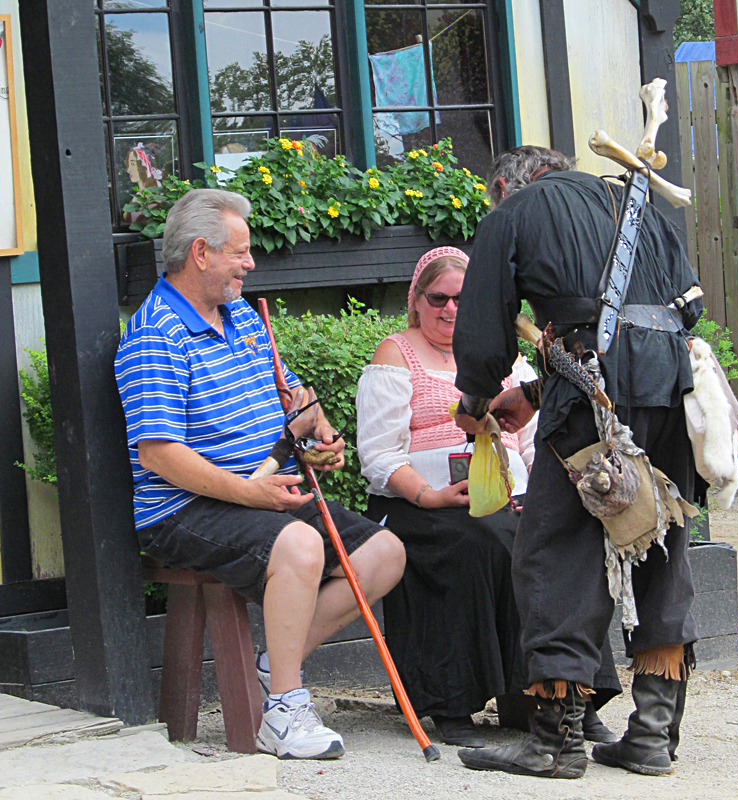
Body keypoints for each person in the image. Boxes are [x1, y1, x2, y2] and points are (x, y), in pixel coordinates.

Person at [114, 188, 406, 761]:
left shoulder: (242, 314)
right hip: (184, 509)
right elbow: (159, 454)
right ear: (201, 252)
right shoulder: (156, 334)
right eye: (240, 253)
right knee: (298, 542)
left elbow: (294, 396)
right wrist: (248, 489)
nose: (251, 264)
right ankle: (285, 708)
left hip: (261, 492)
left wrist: (317, 431)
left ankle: (280, 659)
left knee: (385, 553)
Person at [452, 146, 703, 779]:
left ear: (510, 186)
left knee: (557, 552)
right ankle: (651, 735)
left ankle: (554, 740)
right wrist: (536, 393)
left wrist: (478, 398)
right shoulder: (641, 201)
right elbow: (684, 311)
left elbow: (484, 331)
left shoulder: (516, 211)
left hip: (590, 401)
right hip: (671, 391)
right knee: (659, 543)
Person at [356, 246, 620, 748]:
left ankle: (565, 694)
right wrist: (430, 496)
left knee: (557, 542)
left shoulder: (505, 358)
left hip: (506, 494)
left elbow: (533, 442)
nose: (451, 309)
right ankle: (452, 702)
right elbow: (379, 455)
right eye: (438, 298)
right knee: (480, 542)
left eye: (462, 299)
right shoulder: (396, 353)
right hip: (419, 502)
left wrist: (553, 494)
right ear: (416, 300)